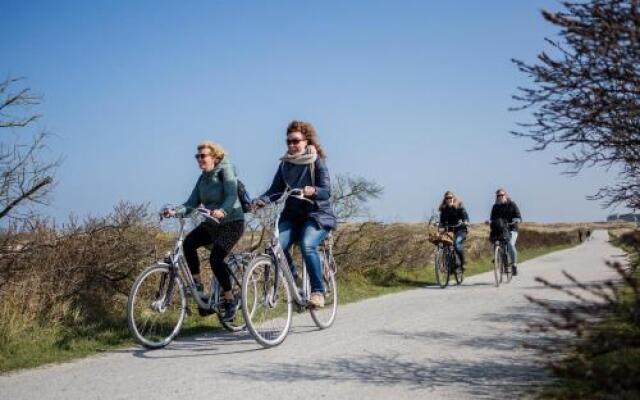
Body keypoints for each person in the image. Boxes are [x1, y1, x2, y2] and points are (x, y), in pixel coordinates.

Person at [253, 120, 337, 308]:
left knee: (308, 245)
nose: (292, 145)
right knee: (276, 247)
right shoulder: (285, 165)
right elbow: (275, 191)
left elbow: (326, 191)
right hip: (292, 215)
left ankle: (317, 292)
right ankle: (295, 281)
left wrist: (312, 191)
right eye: (288, 142)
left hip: (317, 214)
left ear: (306, 141)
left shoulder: (317, 161)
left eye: (296, 141)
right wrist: (261, 201)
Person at [166, 140, 245, 321]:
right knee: (188, 243)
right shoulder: (202, 179)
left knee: (215, 259)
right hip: (211, 223)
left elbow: (232, 194)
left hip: (232, 221)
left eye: (203, 156)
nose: (199, 159)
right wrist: (174, 211)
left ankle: (230, 300)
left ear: (214, 157)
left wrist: (223, 210)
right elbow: (191, 204)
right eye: (197, 156)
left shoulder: (226, 171)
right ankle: (198, 287)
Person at [490, 188, 522, 275]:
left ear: (505, 195)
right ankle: (501, 261)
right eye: (498, 195)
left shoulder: (512, 204)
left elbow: (518, 215)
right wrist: (489, 222)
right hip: (501, 229)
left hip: (512, 229)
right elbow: (492, 219)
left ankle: (514, 265)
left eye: (501, 195)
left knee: (510, 244)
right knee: (496, 243)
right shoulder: (495, 207)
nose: (500, 197)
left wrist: (517, 220)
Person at [438, 191, 470, 271]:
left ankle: (463, 263)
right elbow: (442, 221)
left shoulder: (459, 207)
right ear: (445, 199)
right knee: (444, 244)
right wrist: (440, 225)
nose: (449, 199)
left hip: (460, 230)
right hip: (449, 230)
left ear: (453, 198)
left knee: (456, 244)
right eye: (447, 198)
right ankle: (449, 265)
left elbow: (465, 216)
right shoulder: (444, 209)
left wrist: (465, 221)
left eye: (450, 197)